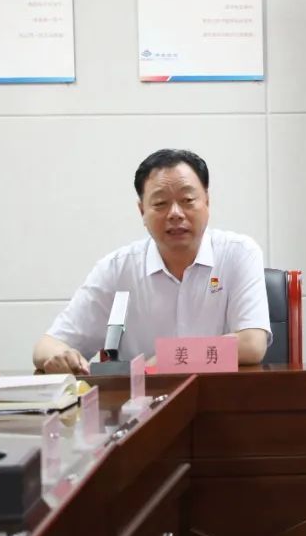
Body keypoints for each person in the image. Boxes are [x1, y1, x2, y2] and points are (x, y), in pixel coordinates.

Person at [33, 149, 271, 374]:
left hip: (222, 397)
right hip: (144, 399)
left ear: (207, 202)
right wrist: (62, 357)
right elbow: (46, 346)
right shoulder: (117, 269)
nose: (175, 213)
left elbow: (252, 344)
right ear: (142, 211)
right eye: (160, 204)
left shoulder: (238, 253)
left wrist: (167, 359)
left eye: (187, 200)